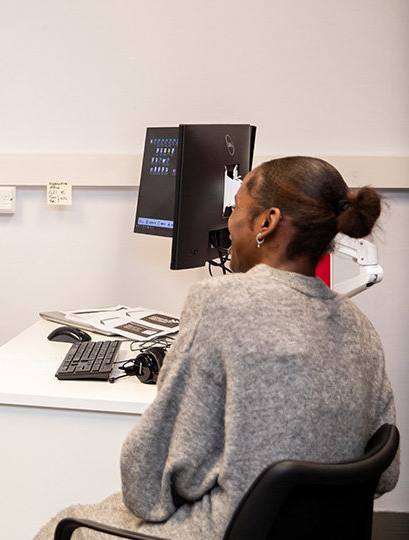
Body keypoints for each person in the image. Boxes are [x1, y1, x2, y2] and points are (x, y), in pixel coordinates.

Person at [33, 156, 399, 539]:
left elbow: (149, 484)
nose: (228, 223)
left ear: (267, 222)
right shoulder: (362, 329)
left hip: (222, 531)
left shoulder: (220, 301)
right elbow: (385, 474)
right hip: (322, 533)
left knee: (64, 524)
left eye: (234, 208)